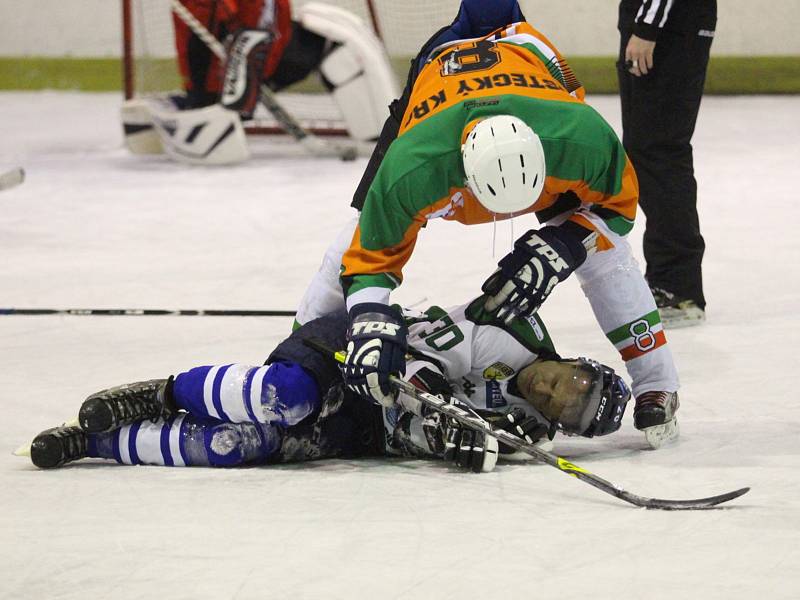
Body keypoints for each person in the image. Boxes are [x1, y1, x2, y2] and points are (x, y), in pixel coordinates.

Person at [295, 0, 680, 449]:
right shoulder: (416, 165)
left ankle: (657, 382)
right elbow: (370, 256)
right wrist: (368, 321)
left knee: (606, 256)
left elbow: (619, 211)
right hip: (438, 102)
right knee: (357, 235)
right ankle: (304, 342)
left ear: (544, 155)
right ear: (461, 175)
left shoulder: (579, 138)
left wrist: (566, 242)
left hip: (529, 80)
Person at [26, 296, 630, 471]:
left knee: (242, 446)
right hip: (349, 352)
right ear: (578, 361)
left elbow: (431, 438)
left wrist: (469, 447)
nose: (556, 391)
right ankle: (161, 393)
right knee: (281, 401)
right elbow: (422, 366)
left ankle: (97, 444)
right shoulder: (511, 334)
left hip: (367, 429)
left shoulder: (529, 433)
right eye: (574, 380)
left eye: (568, 409)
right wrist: (450, 413)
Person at [122, 0, 397, 161]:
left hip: (263, 60)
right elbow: (211, 38)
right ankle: (195, 108)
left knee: (334, 42)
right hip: (231, 73)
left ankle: (379, 131)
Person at [618, 0, 717, 327]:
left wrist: (647, 27)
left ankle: (678, 288)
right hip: (666, 24)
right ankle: (668, 281)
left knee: (658, 150)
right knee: (647, 149)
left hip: (668, 28)